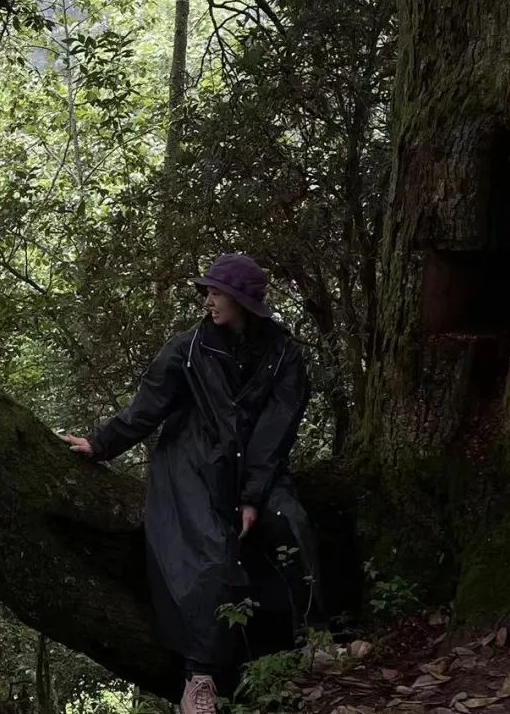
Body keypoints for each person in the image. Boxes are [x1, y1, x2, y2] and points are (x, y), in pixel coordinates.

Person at [60, 254, 319, 714]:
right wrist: (99, 443)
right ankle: (199, 677)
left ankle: (312, 643)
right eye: (208, 292)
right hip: (191, 462)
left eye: (217, 293)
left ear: (242, 300)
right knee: (206, 554)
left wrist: (252, 497)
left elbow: (277, 429)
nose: (209, 300)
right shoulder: (189, 348)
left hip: (255, 466)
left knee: (289, 524)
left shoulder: (284, 354)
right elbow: (147, 406)